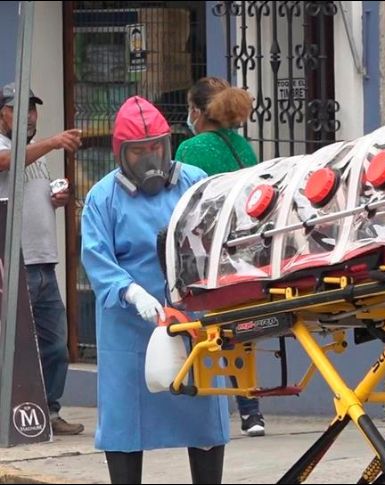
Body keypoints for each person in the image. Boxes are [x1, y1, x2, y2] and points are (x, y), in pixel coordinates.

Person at [80, 96, 229, 484]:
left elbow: (218, 238)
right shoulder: (102, 198)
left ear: (167, 144)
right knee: (124, 421)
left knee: (203, 412)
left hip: (190, 318)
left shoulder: (195, 182)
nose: (150, 159)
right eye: (138, 151)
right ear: (120, 153)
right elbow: (96, 257)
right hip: (128, 326)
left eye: (156, 148)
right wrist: (132, 293)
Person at [176, 76, 265, 438]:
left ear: (197, 111)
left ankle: (201, 402)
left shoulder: (190, 149)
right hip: (245, 246)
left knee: (203, 327)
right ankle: (251, 410)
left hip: (207, 250)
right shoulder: (243, 147)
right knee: (239, 328)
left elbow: (182, 202)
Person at [0, 82, 85, 436]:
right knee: (12, 344)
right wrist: (52, 142)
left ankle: (48, 411)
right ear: (2, 114)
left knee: (54, 345)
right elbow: (5, 162)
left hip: (44, 262)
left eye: (32, 109)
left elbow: (36, 195)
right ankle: (10, 414)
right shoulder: (8, 147)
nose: (29, 116)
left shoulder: (36, 154)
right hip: (13, 263)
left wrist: (57, 199)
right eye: (19, 109)